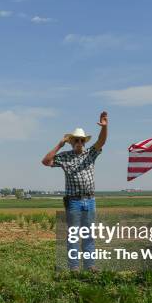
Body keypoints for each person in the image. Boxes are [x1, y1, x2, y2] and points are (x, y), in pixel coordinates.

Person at [42, 111, 108, 271]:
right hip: (74, 201)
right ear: (72, 142)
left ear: (85, 142)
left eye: (82, 140)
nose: (79, 142)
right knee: (73, 236)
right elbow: (45, 161)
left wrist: (105, 127)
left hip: (90, 200)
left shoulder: (90, 154)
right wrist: (60, 144)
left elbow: (101, 141)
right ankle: (73, 267)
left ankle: (90, 266)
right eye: (76, 140)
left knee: (89, 235)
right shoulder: (65, 156)